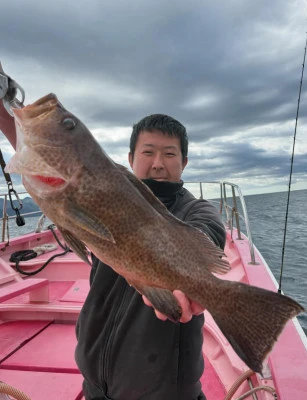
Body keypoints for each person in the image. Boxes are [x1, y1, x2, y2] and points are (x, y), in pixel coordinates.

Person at [0, 78, 226, 399]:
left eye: (169, 154)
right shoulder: (101, 182)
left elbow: (207, 235)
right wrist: (4, 101)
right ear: (131, 157)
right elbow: (45, 156)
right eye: (148, 152)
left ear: (184, 162)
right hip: (95, 384)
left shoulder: (197, 209)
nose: (158, 163)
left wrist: (186, 272)